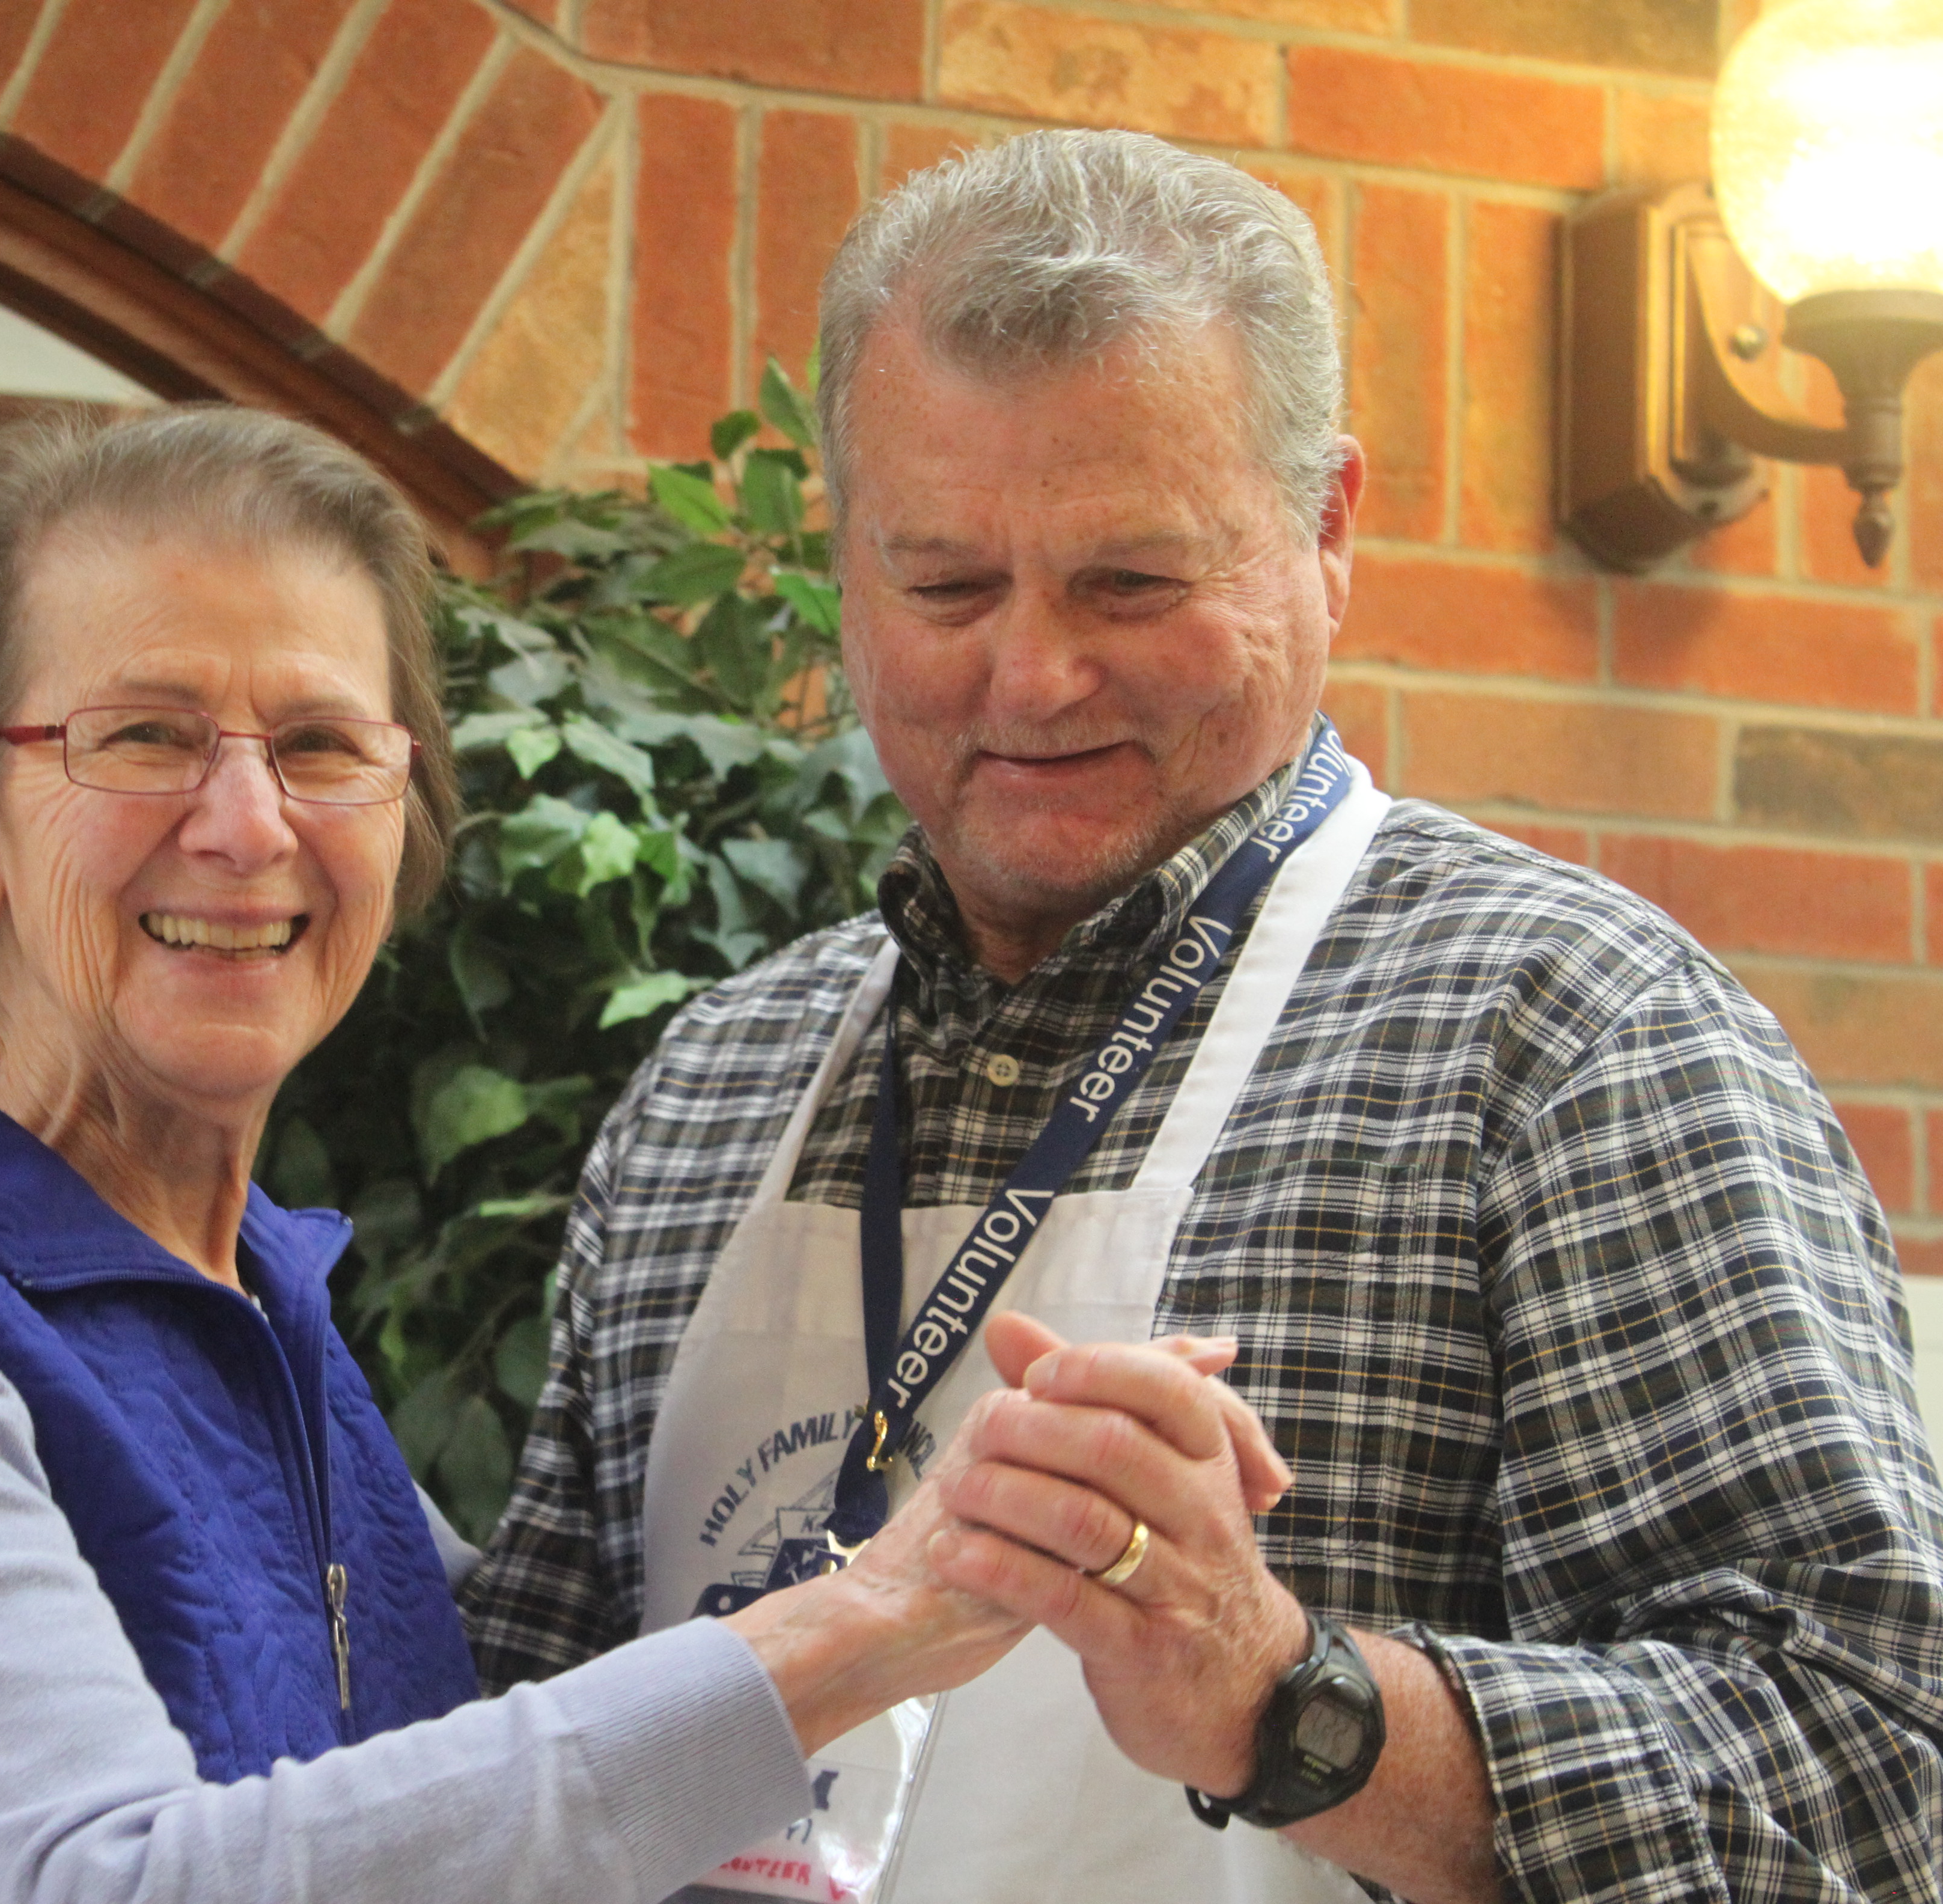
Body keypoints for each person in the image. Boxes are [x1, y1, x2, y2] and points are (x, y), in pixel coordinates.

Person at [463, 129, 1943, 1904]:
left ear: (1327, 532)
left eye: (1132, 584)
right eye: (946, 586)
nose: (1031, 675)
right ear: (850, 566)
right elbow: (521, 1742)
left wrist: (1288, 1701)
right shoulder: (720, 1079)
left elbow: (1868, 1779)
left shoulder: (1568, 1040)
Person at [0, 406, 1225, 1904]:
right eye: (140, 735)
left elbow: (453, 1820)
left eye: (320, 747)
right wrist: (868, 1617)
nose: (245, 822)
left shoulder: (259, 1306)